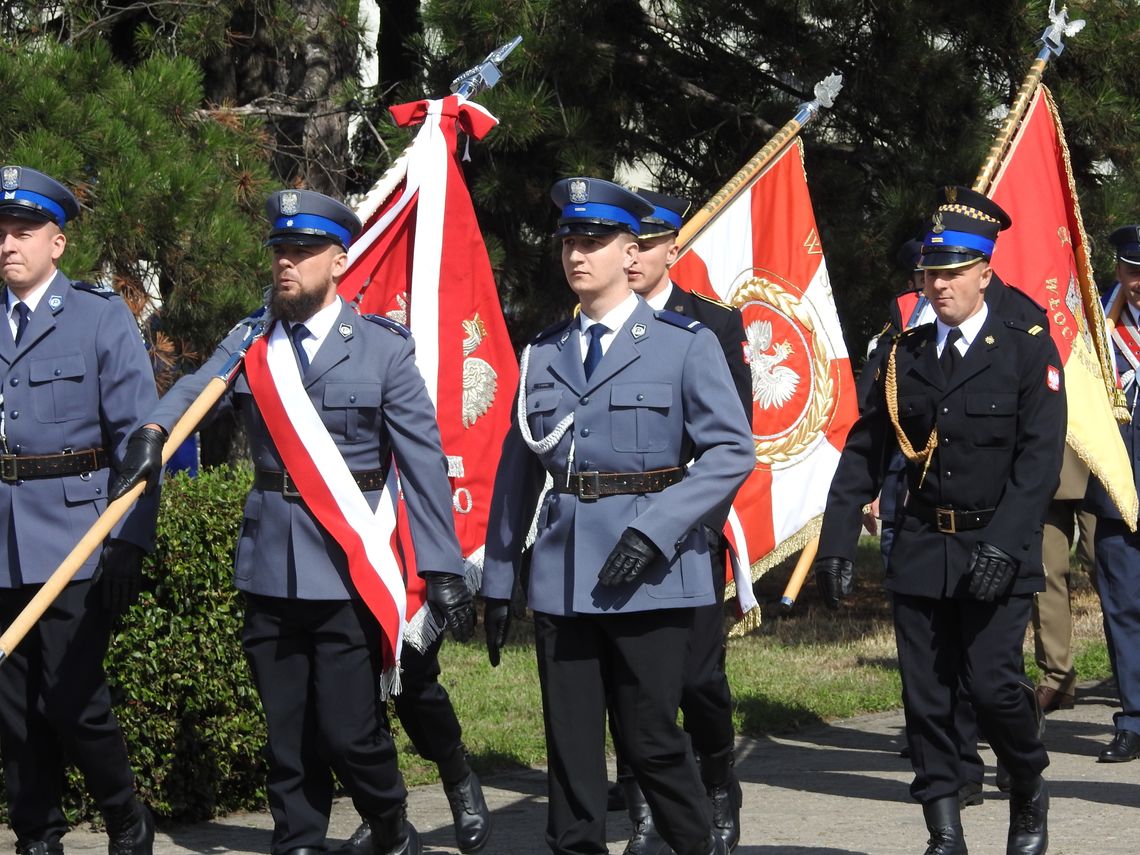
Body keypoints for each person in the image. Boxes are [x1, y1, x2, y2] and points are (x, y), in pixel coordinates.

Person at [109, 188, 476, 855]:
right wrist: (154, 428)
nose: (286, 263)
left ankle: (390, 819)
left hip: (348, 564)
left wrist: (443, 565)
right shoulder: (254, 339)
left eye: (303, 251)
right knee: (287, 729)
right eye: (280, 250)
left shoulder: (383, 350)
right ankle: (298, 838)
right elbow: (200, 388)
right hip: (270, 556)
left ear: (338, 261)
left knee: (350, 729)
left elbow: (423, 466)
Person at [481, 177, 754, 855]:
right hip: (565, 574)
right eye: (569, 240)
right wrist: (496, 576)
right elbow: (517, 471)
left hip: (650, 574)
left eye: (594, 241)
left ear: (630, 250)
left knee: (653, 741)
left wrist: (655, 529)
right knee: (570, 757)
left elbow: (731, 451)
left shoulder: (683, 343)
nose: (577, 254)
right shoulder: (542, 351)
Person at [813, 186, 1064, 855]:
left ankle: (1029, 779)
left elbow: (1038, 459)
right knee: (925, 697)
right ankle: (943, 832)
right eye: (932, 270)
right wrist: (839, 539)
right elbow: (866, 446)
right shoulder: (906, 350)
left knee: (992, 685)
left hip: (996, 544)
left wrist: (1007, 545)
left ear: (985, 271)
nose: (940, 282)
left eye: (954, 270)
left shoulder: (1026, 344)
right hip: (923, 543)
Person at [0, 165, 160, 855]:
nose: (9, 243)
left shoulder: (100, 317)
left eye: (24, 230)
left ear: (57, 243)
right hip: (1, 541)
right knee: (11, 708)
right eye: (2, 231)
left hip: (75, 537)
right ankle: (38, 835)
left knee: (73, 699)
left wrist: (131, 539)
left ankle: (127, 817)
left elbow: (138, 441)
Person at [615, 188, 749, 852]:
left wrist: (684, 522)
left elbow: (730, 439)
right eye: (625, 242)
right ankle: (643, 808)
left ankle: (719, 781)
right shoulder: (596, 325)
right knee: (635, 680)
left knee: (697, 678)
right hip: (612, 529)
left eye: (645, 243)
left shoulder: (713, 326)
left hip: (690, 529)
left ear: (674, 248)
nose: (632, 255)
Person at [330, 633, 492, 854]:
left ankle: (458, 777)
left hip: (409, 604)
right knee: (362, 695)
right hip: (351, 601)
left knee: (413, 679)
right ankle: (379, 821)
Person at [1082, 224, 1140, 762]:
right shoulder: (1094, 325)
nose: (1139, 283)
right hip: (1118, 488)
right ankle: (1132, 718)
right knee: (1122, 606)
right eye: (1131, 271)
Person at [1032, 450, 1096, 714]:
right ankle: (1057, 676)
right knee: (1046, 570)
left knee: (1104, 561)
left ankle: (1132, 669)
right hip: (1045, 450)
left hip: (1101, 453)